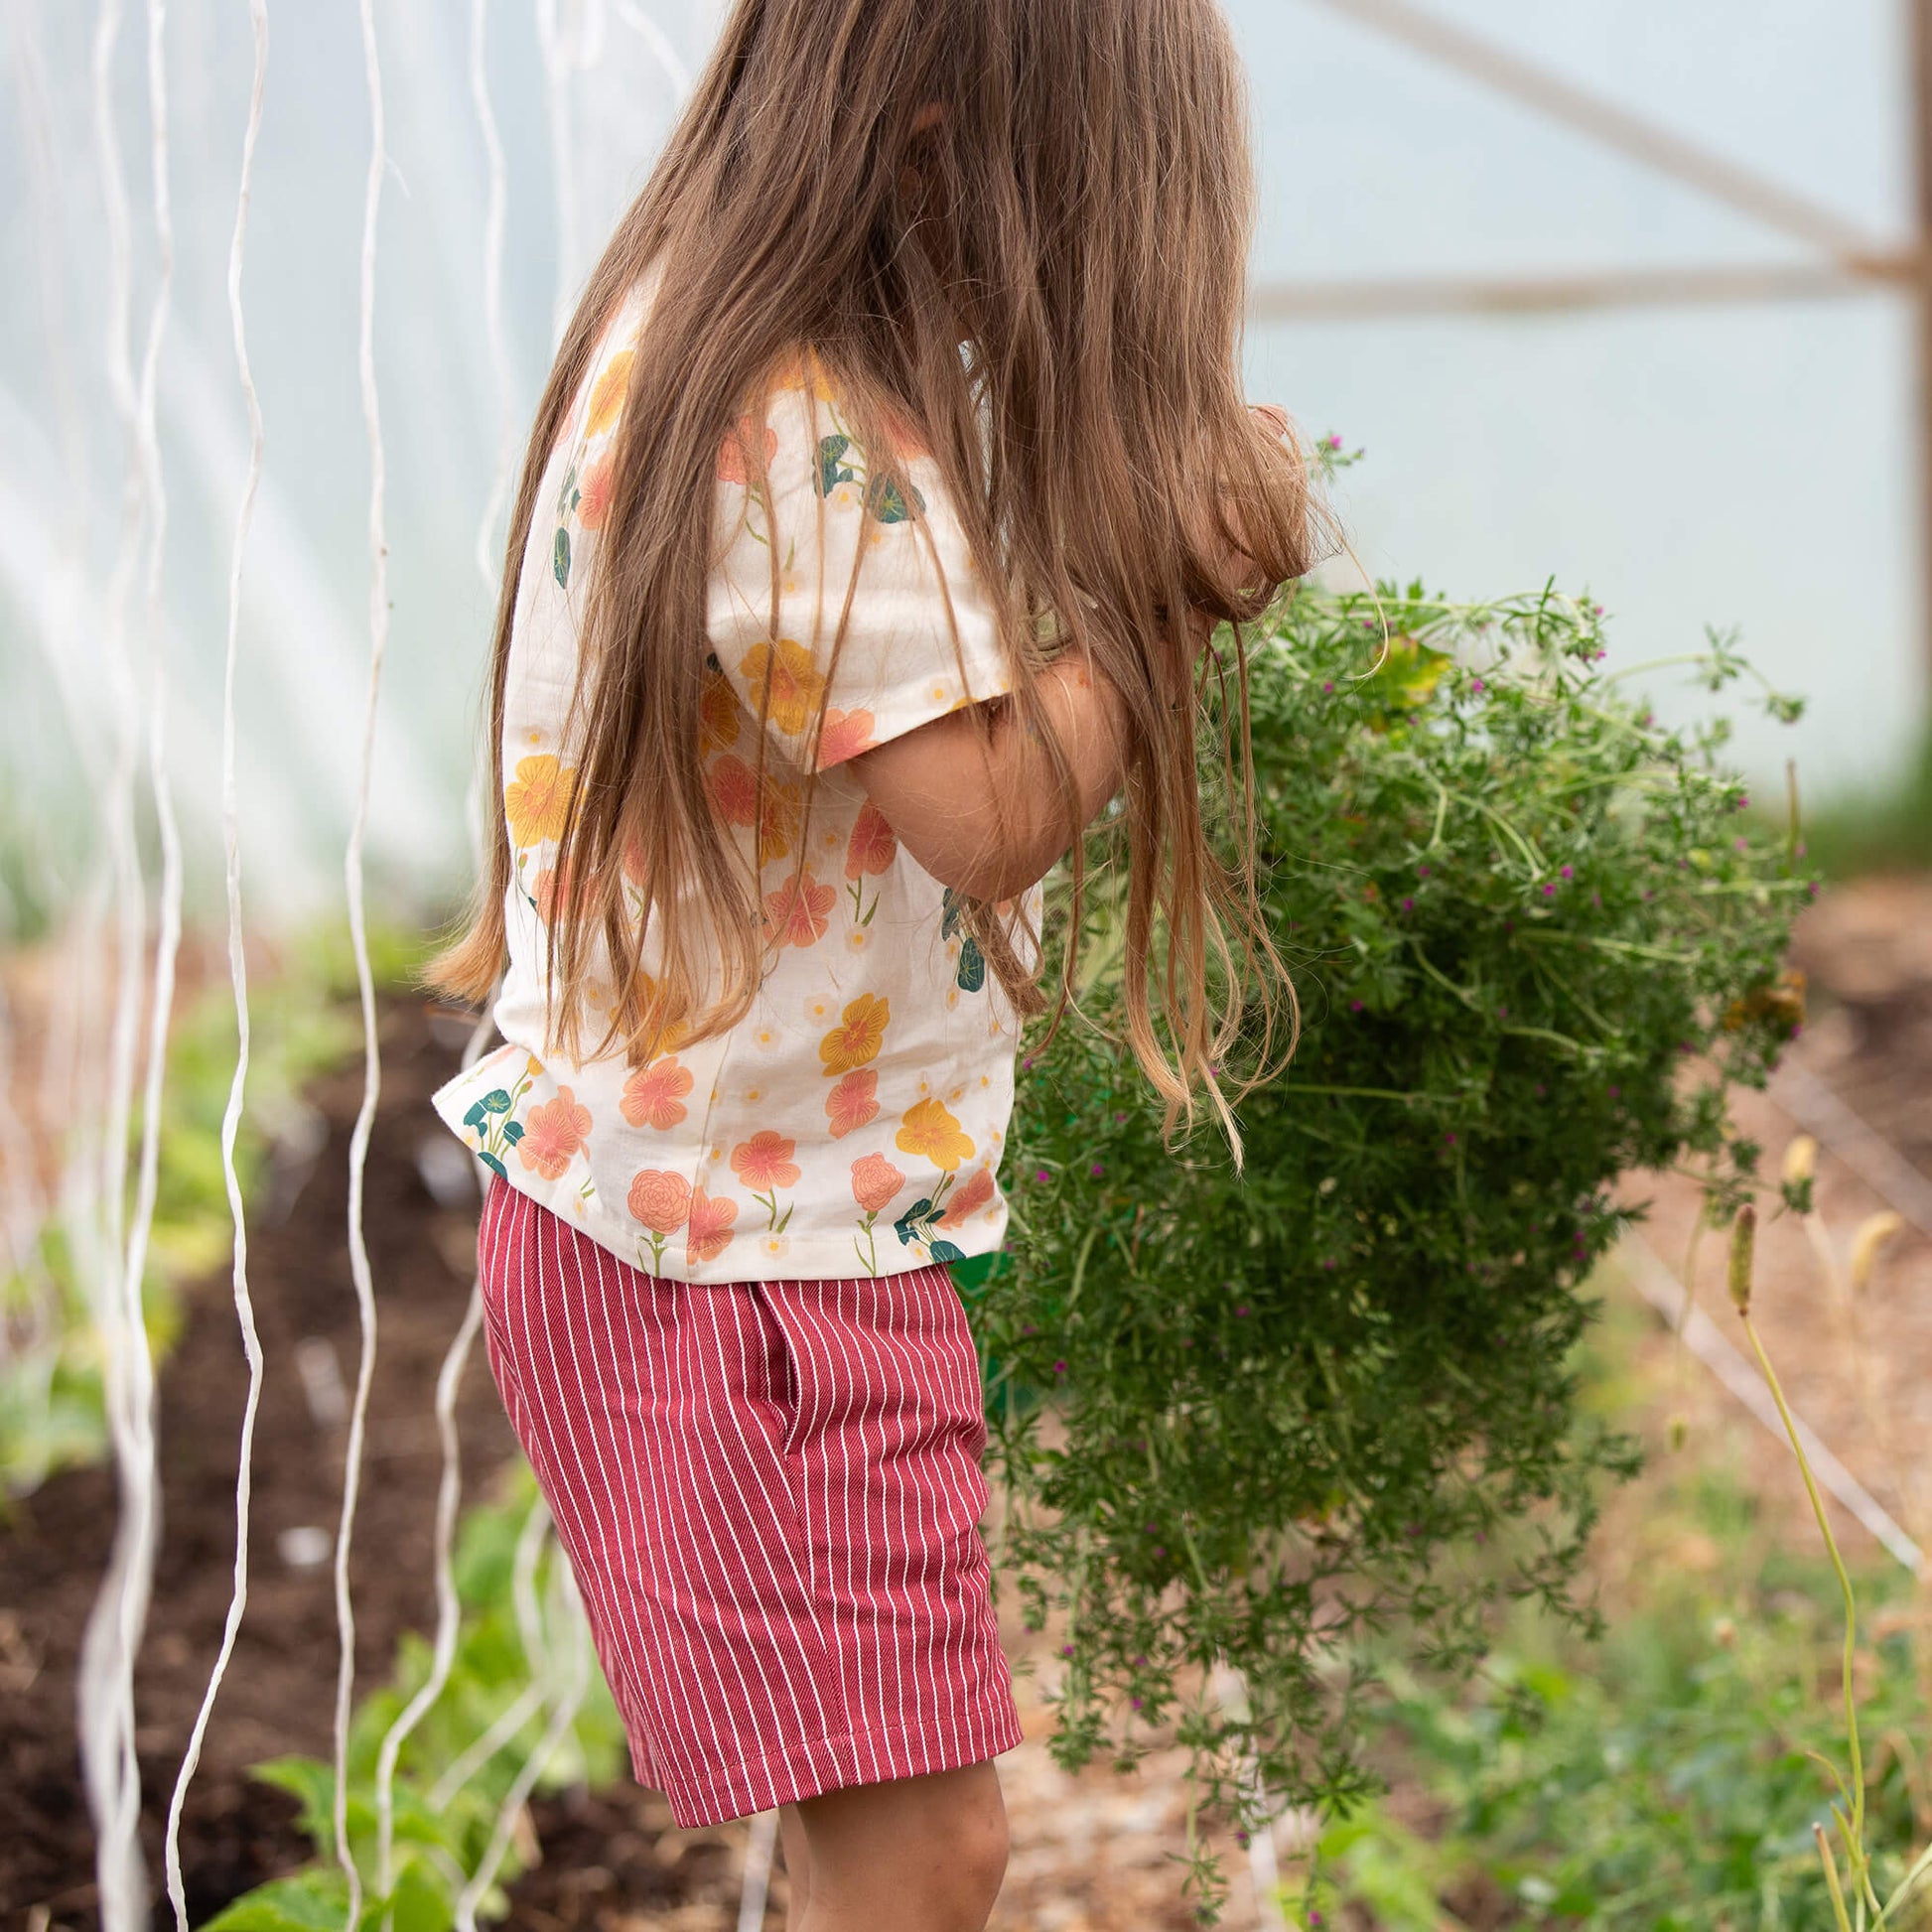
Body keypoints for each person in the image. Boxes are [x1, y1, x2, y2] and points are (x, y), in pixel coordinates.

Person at [429, 1, 1313, 1924]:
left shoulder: (700, 345)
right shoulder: (798, 423)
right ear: (942, 146)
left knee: (877, 1838)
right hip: (745, 1274)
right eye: (1080, 215)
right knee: (925, 1850)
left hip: (708, 1228)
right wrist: (1158, 610)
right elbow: (991, 813)